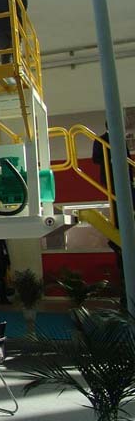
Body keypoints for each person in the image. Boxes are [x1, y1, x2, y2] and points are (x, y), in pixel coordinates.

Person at [92, 123, 134, 308]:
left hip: (125, 180)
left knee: (126, 207)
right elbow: (96, 159)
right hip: (112, 178)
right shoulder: (101, 140)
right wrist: (109, 158)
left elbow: (128, 159)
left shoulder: (120, 140)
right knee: (119, 209)